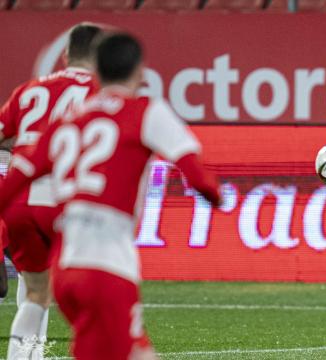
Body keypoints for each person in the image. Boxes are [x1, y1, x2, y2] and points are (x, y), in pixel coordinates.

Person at [0, 32, 222, 359]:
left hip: (64, 263)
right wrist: (218, 196)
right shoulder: (143, 109)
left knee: (42, 301)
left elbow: (20, 170)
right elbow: (198, 175)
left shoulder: (64, 116)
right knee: (134, 351)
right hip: (106, 264)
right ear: (141, 73)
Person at [0, 23, 103, 359]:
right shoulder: (102, 91)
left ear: (65, 54)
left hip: (19, 202)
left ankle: (27, 355)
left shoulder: (29, 90)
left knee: (34, 291)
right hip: (63, 202)